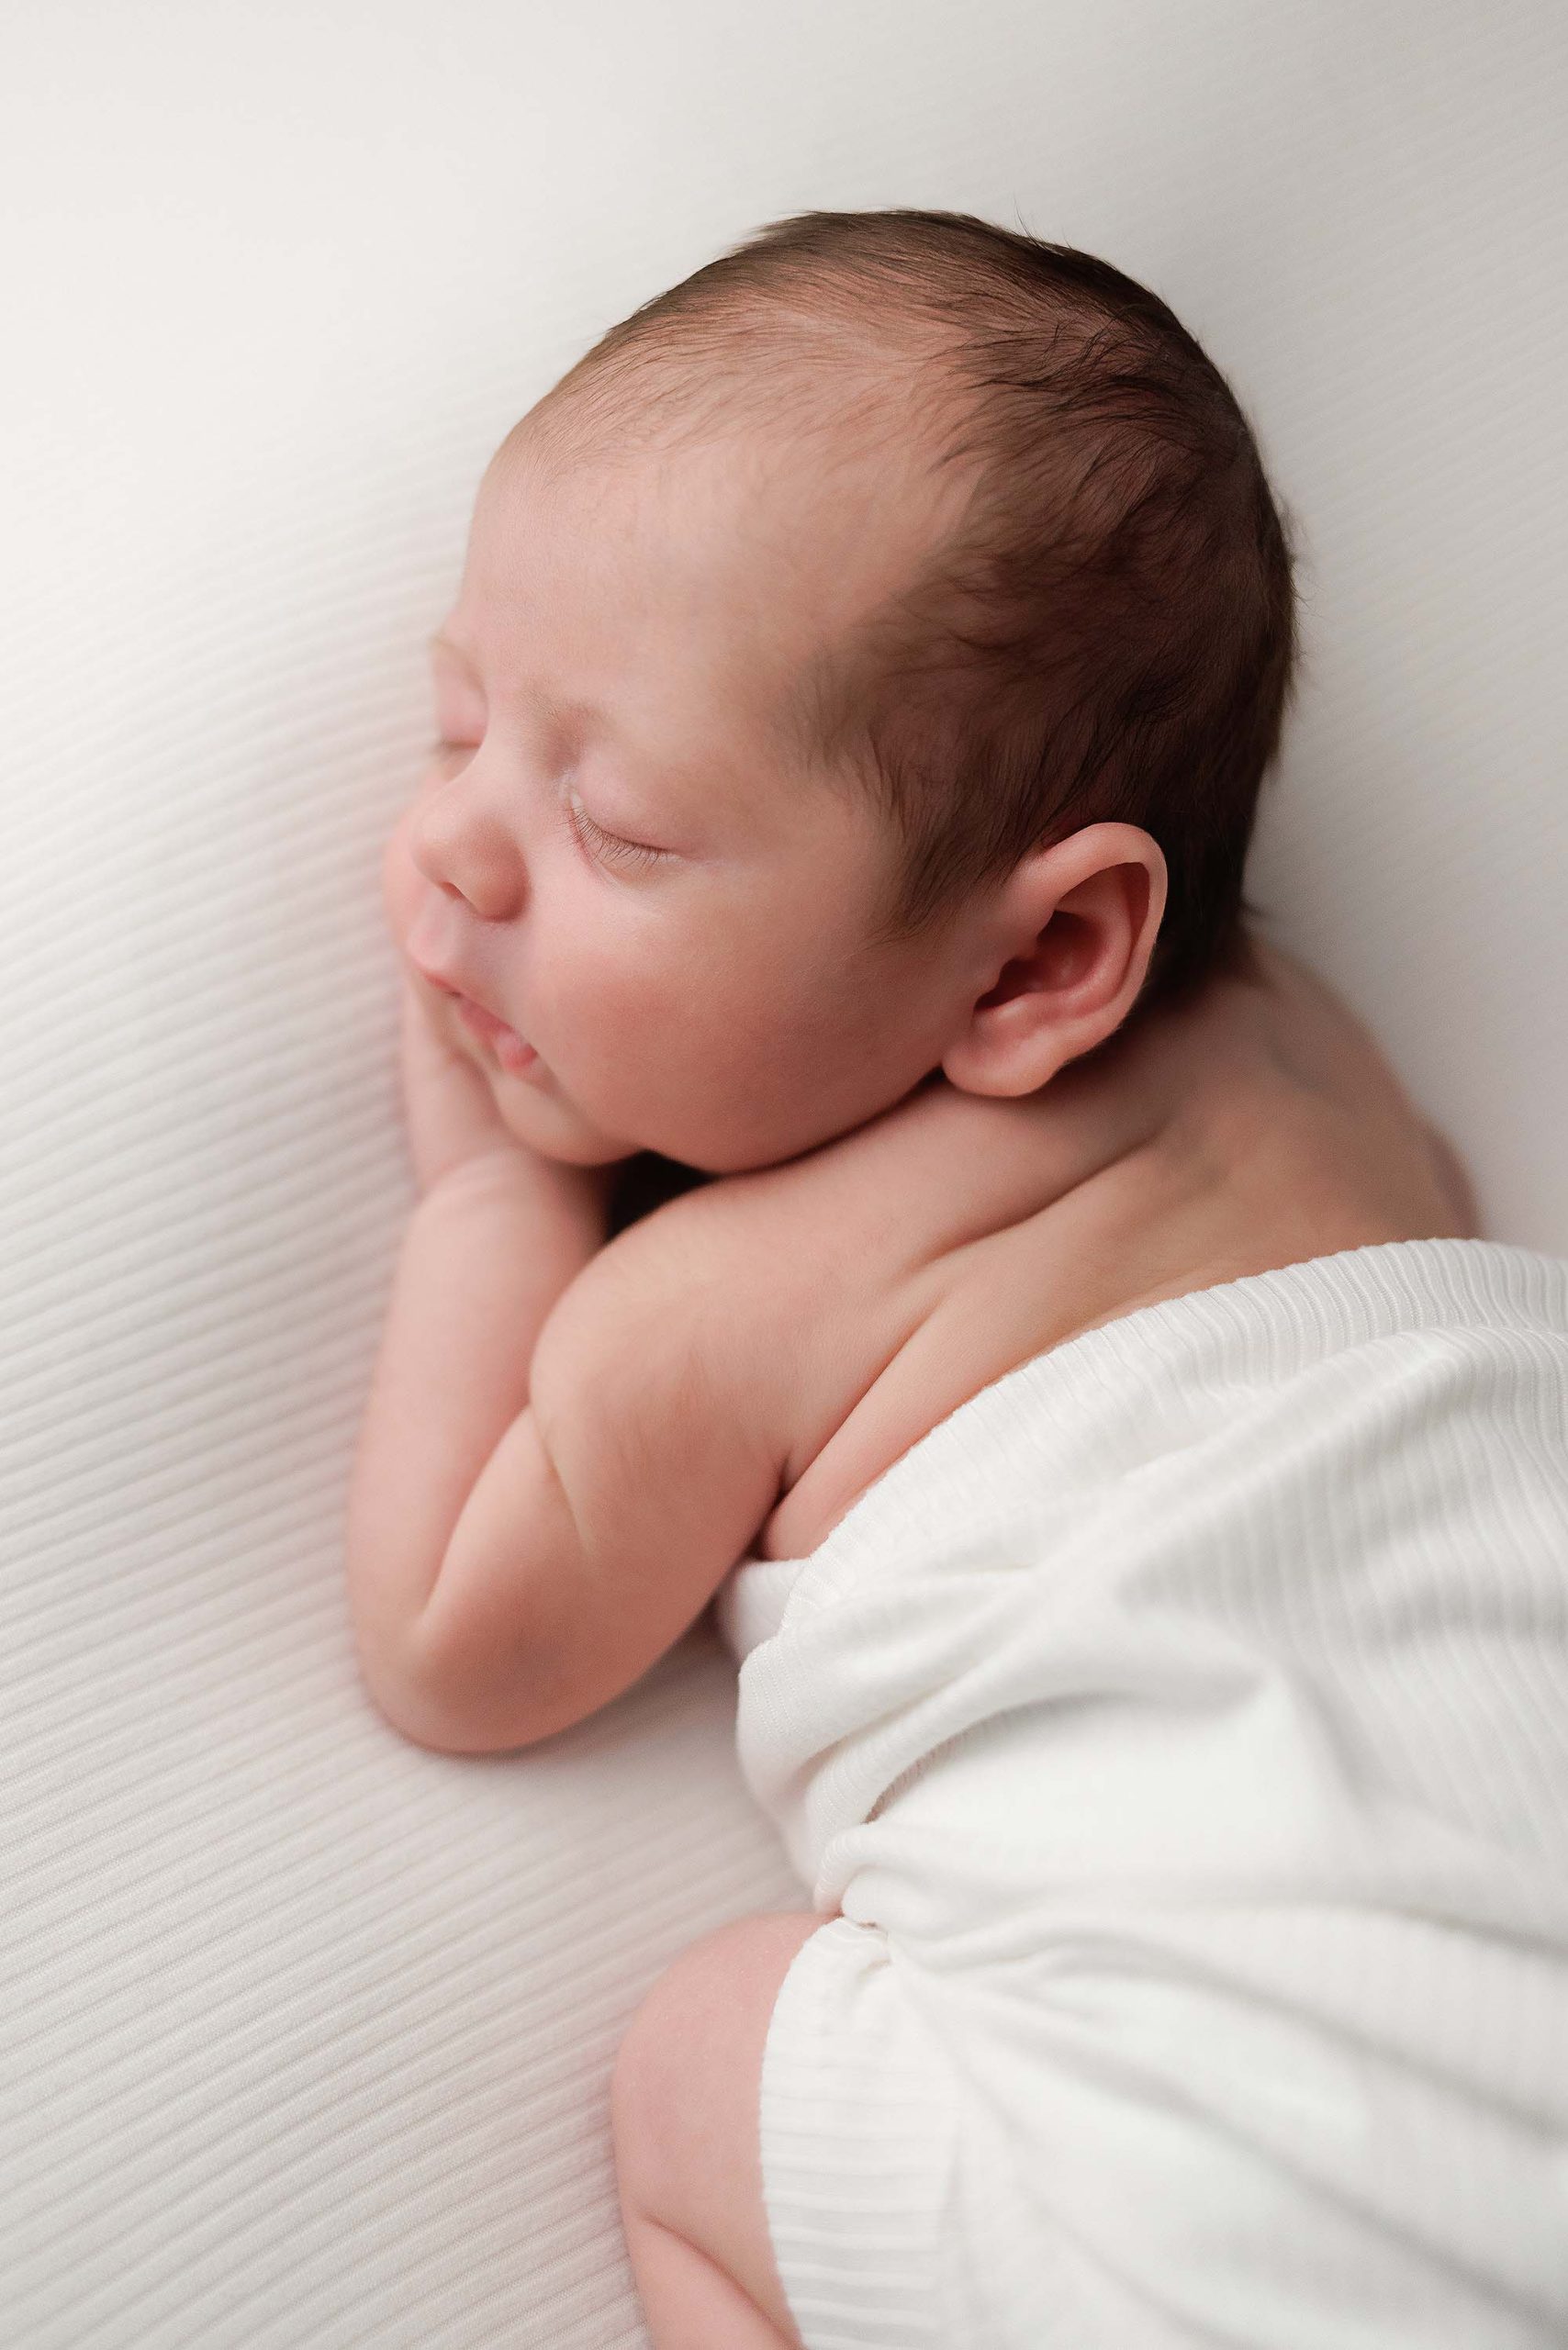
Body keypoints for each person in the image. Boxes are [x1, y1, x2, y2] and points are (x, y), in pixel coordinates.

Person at [346, 210, 1568, 2348]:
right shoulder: (1323, 1059)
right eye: (460, 721)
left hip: (1222, 2202)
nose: (456, 843)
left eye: (614, 823)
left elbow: (456, 1645)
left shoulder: (714, 1307)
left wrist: (487, 1209)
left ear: (1036, 957)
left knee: (689, 2063)